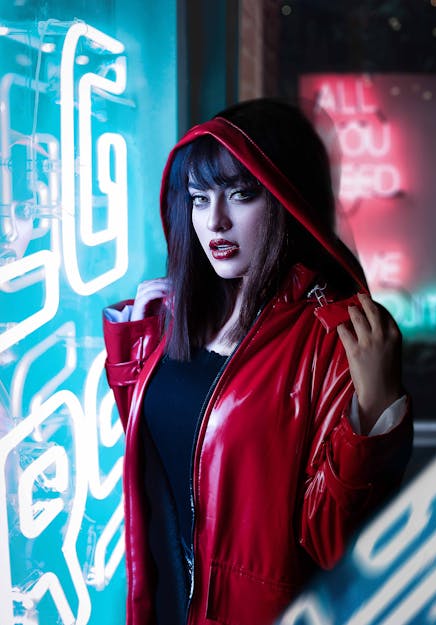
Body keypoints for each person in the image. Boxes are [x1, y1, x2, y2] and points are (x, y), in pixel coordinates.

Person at [103, 98, 413, 625]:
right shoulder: (180, 312)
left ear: (288, 198)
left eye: (241, 196)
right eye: (199, 199)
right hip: (170, 606)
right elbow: (164, 463)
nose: (215, 222)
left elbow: (334, 541)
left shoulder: (333, 335)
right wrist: (136, 345)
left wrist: (374, 417)